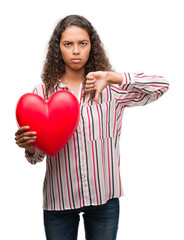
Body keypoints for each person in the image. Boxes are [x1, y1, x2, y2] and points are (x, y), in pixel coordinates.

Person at [15, 15, 169, 240]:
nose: (75, 50)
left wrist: (113, 76)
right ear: (58, 48)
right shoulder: (41, 94)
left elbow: (161, 85)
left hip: (104, 199)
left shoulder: (111, 90)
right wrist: (28, 147)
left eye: (82, 43)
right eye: (68, 44)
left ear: (91, 46)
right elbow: (36, 157)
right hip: (60, 201)